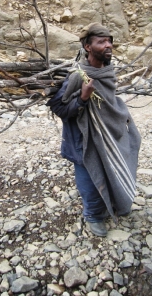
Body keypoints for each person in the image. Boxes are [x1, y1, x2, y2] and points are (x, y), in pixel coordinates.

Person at [47, 23, 141, 237]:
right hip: (83, 139)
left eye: (109, 41)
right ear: (88, 47)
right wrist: (83, 97)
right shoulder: (78, 76)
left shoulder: (107, 72)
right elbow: (59, 108)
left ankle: (114, 202)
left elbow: (108, 100)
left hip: (107, 134)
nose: (108, 45)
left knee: (115, 168)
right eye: (101, 42)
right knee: (91, 180)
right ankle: (93, 215)